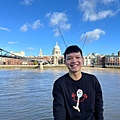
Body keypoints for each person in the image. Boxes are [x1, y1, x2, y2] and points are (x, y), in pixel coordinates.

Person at [52, 45, 104, 120]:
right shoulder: (59, 84)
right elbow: (59, 112)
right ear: (65, 61)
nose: (74, 61)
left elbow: (99, 107)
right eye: (69, 58)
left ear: (82, 59)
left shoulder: (93, 80)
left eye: (77, 57)